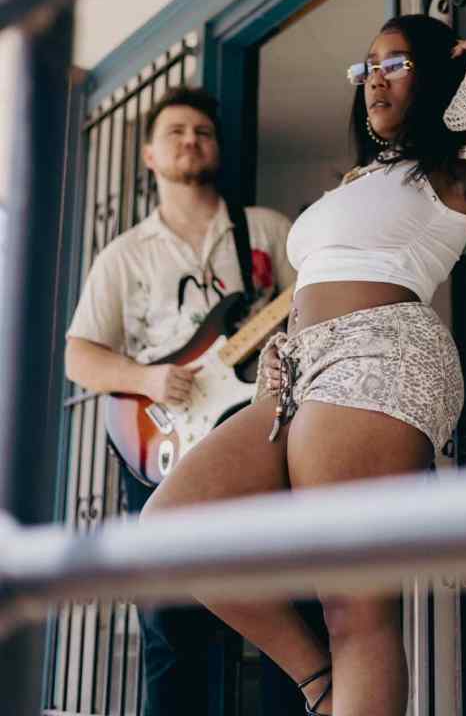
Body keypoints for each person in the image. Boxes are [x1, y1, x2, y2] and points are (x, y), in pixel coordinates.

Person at [142, 16, 466, 716]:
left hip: (382, 356)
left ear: (436, 78)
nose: (373, 76)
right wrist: (282, 352)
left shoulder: (454, 173)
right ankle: (319, 686)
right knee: (171, 524)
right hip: (299, 374)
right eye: (366, 65)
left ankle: (336, 686)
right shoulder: (358, 180)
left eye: (397, 64)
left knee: (354, 609)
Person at [65, 85, 299, 716]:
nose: (191, 140)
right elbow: (79, 355)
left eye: (203, 131)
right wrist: (146, 380)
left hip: (255, 437)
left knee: (287, 603)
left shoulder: (266, 230)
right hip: (160, 447)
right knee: (170, 627)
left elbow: (311, 312)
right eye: (175, 132)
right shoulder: (123, 255)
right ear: (148, 155)